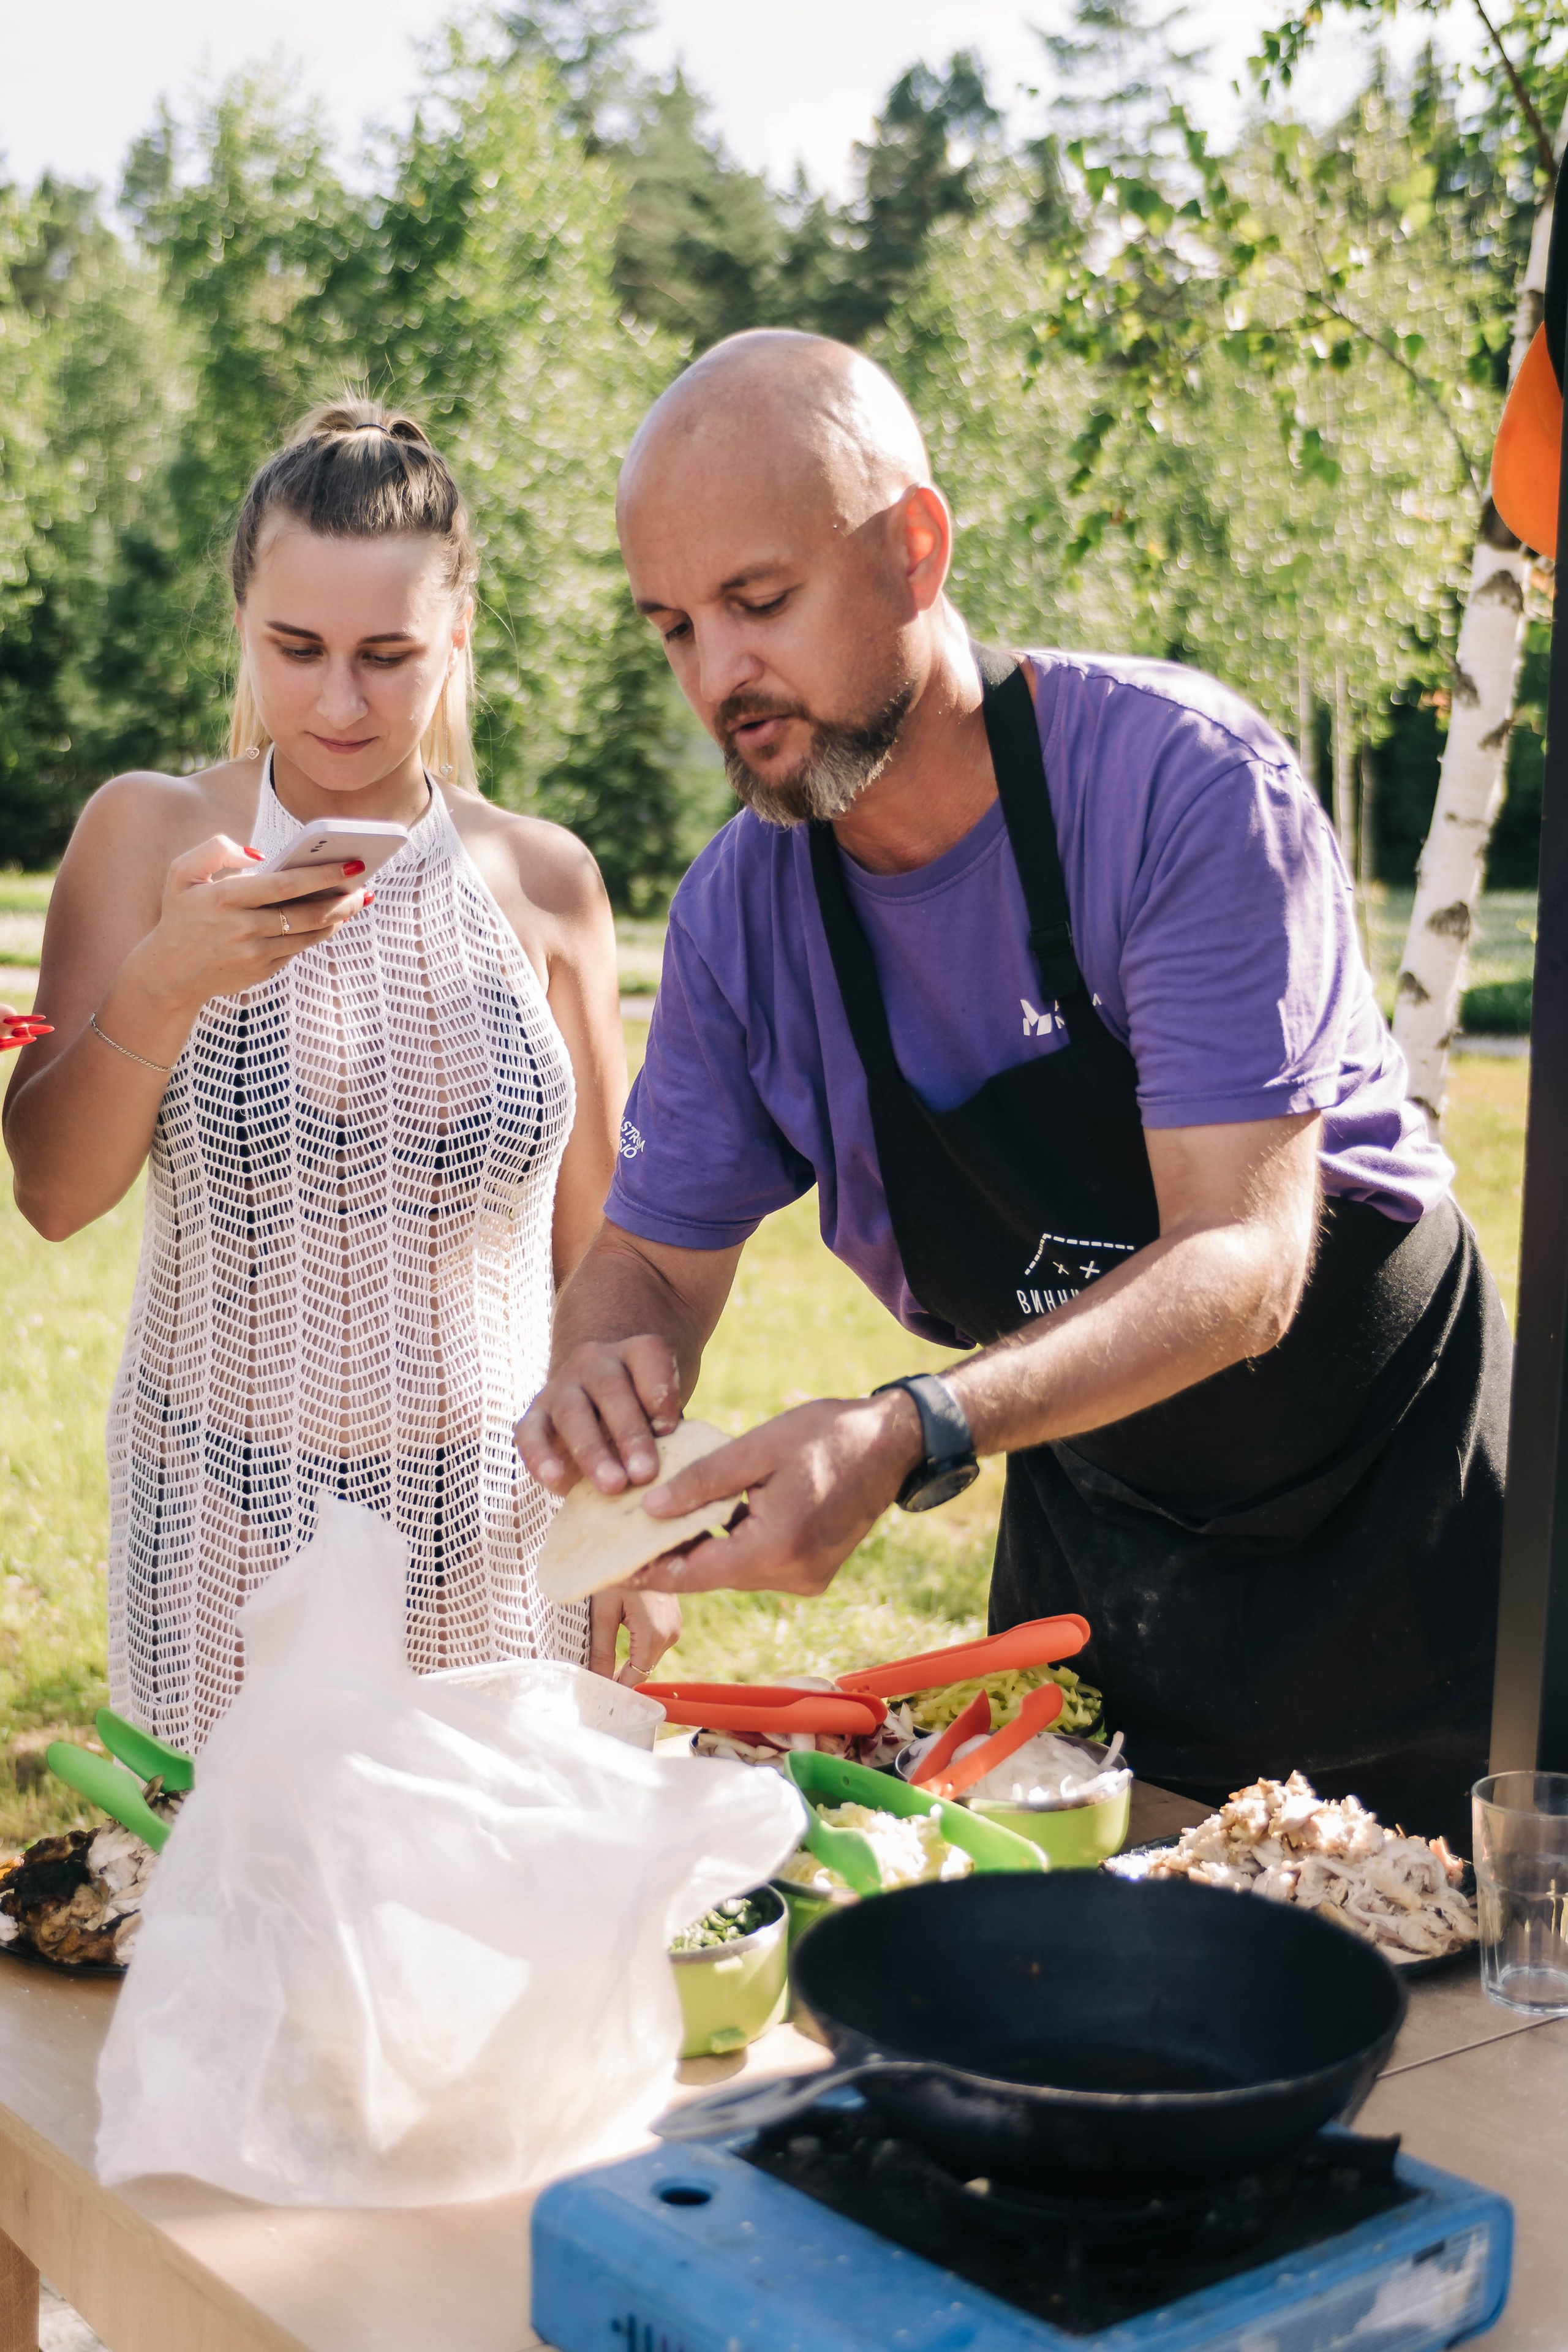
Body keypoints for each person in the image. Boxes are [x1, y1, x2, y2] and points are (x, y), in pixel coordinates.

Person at [516, 331, 1510, 1847]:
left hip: (1409, 1518)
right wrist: (603, 1365)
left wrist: (908, 1430)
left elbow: (1241, 1262)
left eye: (758, 603)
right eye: (673, 628)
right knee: (1086, 1953)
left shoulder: (1179, 785)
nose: (717, 678)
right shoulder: (741, 915)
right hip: (1101, 1541)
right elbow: (648, 1261)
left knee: (1462, 1981)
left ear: (914, 551)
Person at [5, 399, 678, 1753]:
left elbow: (606, 1252)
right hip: (224, 1542)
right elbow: (56, 1196)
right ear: (243, 626)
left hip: (497, 1540)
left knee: (493, 1884)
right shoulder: (145, 831)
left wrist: (630, 1515)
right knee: (238, 1883)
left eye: (388, 654)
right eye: (297, 649)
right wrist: (167, 980)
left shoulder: (545, 879)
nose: (339, 703)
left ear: (459, 634)